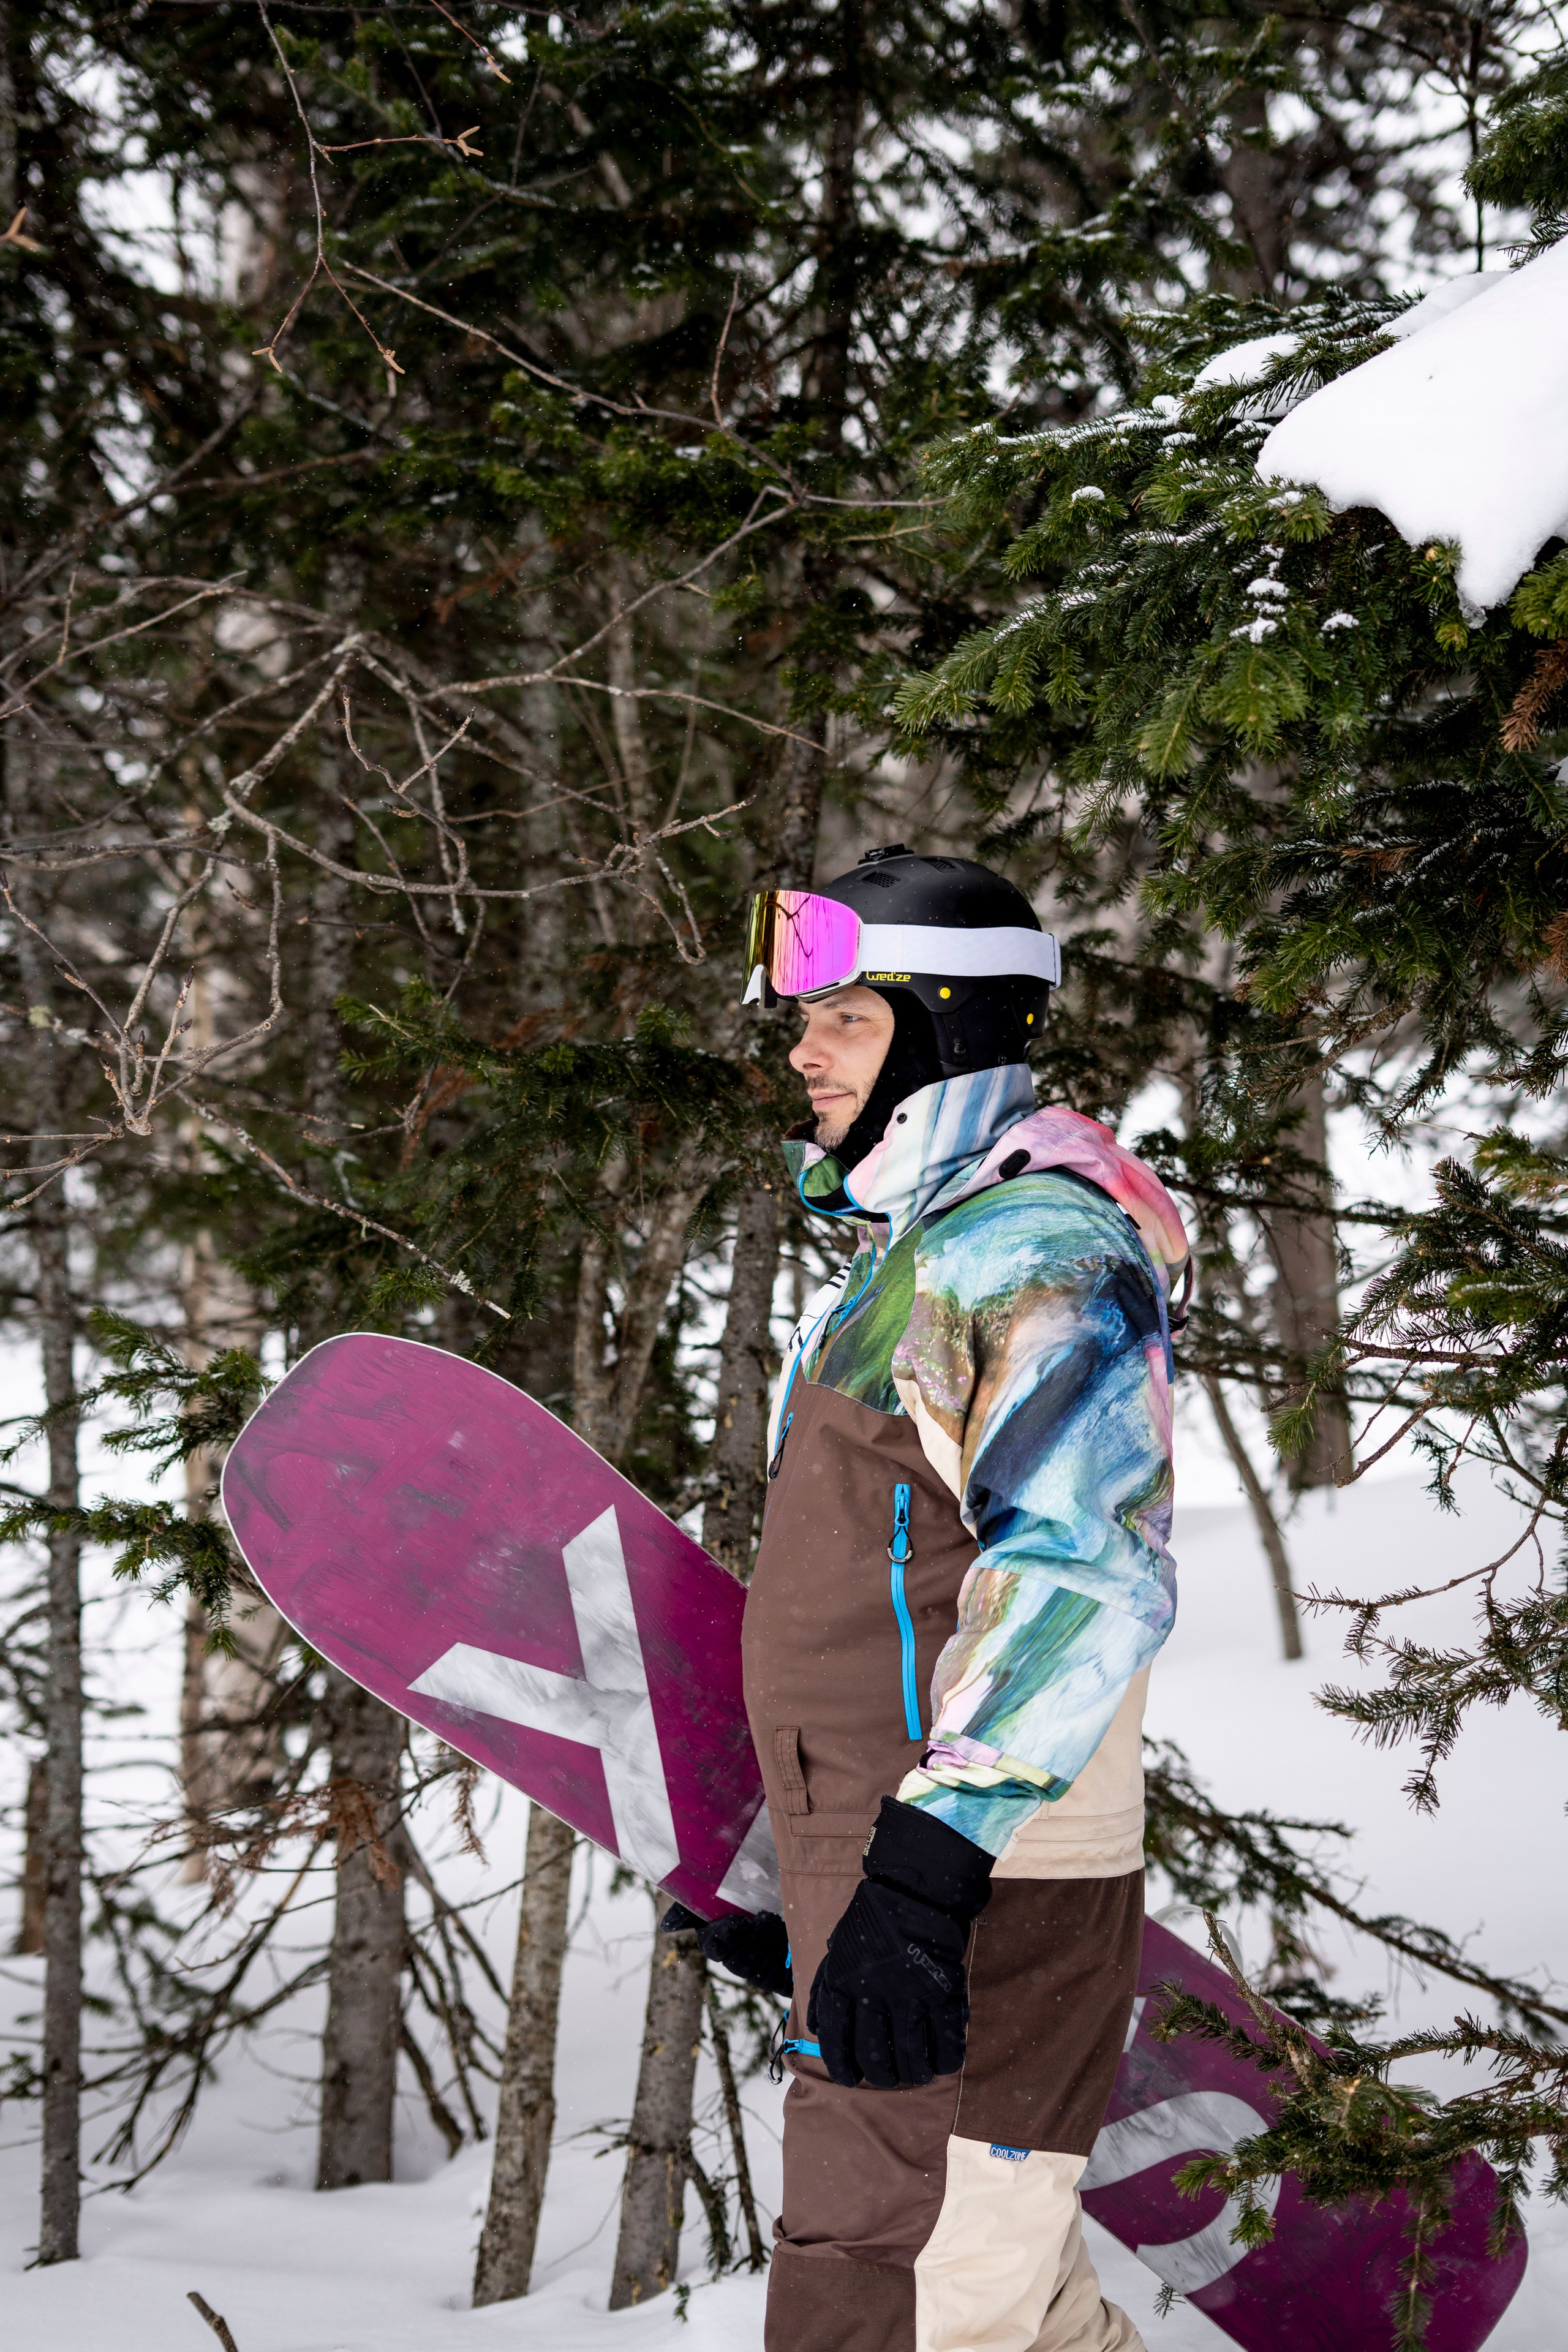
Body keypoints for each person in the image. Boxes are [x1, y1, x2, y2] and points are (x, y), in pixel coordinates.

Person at [677, 845, 1189, 2352]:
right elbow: (890, 1585)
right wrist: (806, 1845)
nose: (799, 1050)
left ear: (945, 1028)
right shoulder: (931, 1244)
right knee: (995, 2300)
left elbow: (1079, 1573)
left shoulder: (1036, 1251)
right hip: (914, 1843)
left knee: (897, 2297)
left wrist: (919, 1871)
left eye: (840, 1016)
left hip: (983, 1876)